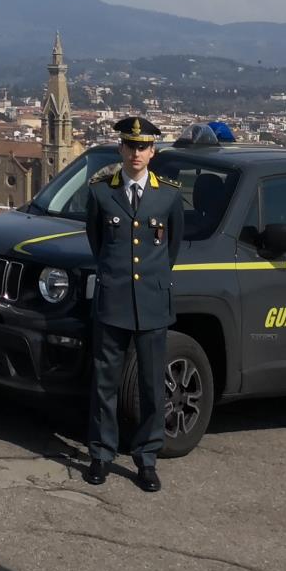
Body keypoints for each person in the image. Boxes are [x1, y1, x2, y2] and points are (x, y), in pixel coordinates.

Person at [84, 115, 183, 492]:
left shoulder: (168, 195)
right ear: (120, 148)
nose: (136, 153)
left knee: (151, 384)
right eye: (130, 145)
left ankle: (147, 458)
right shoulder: (100, 192)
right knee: (104, 382)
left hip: (152, 303)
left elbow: (171, 248)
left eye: (143, 147)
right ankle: (101, 454)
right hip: (114, 300)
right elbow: (97, 243)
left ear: (153, 151)